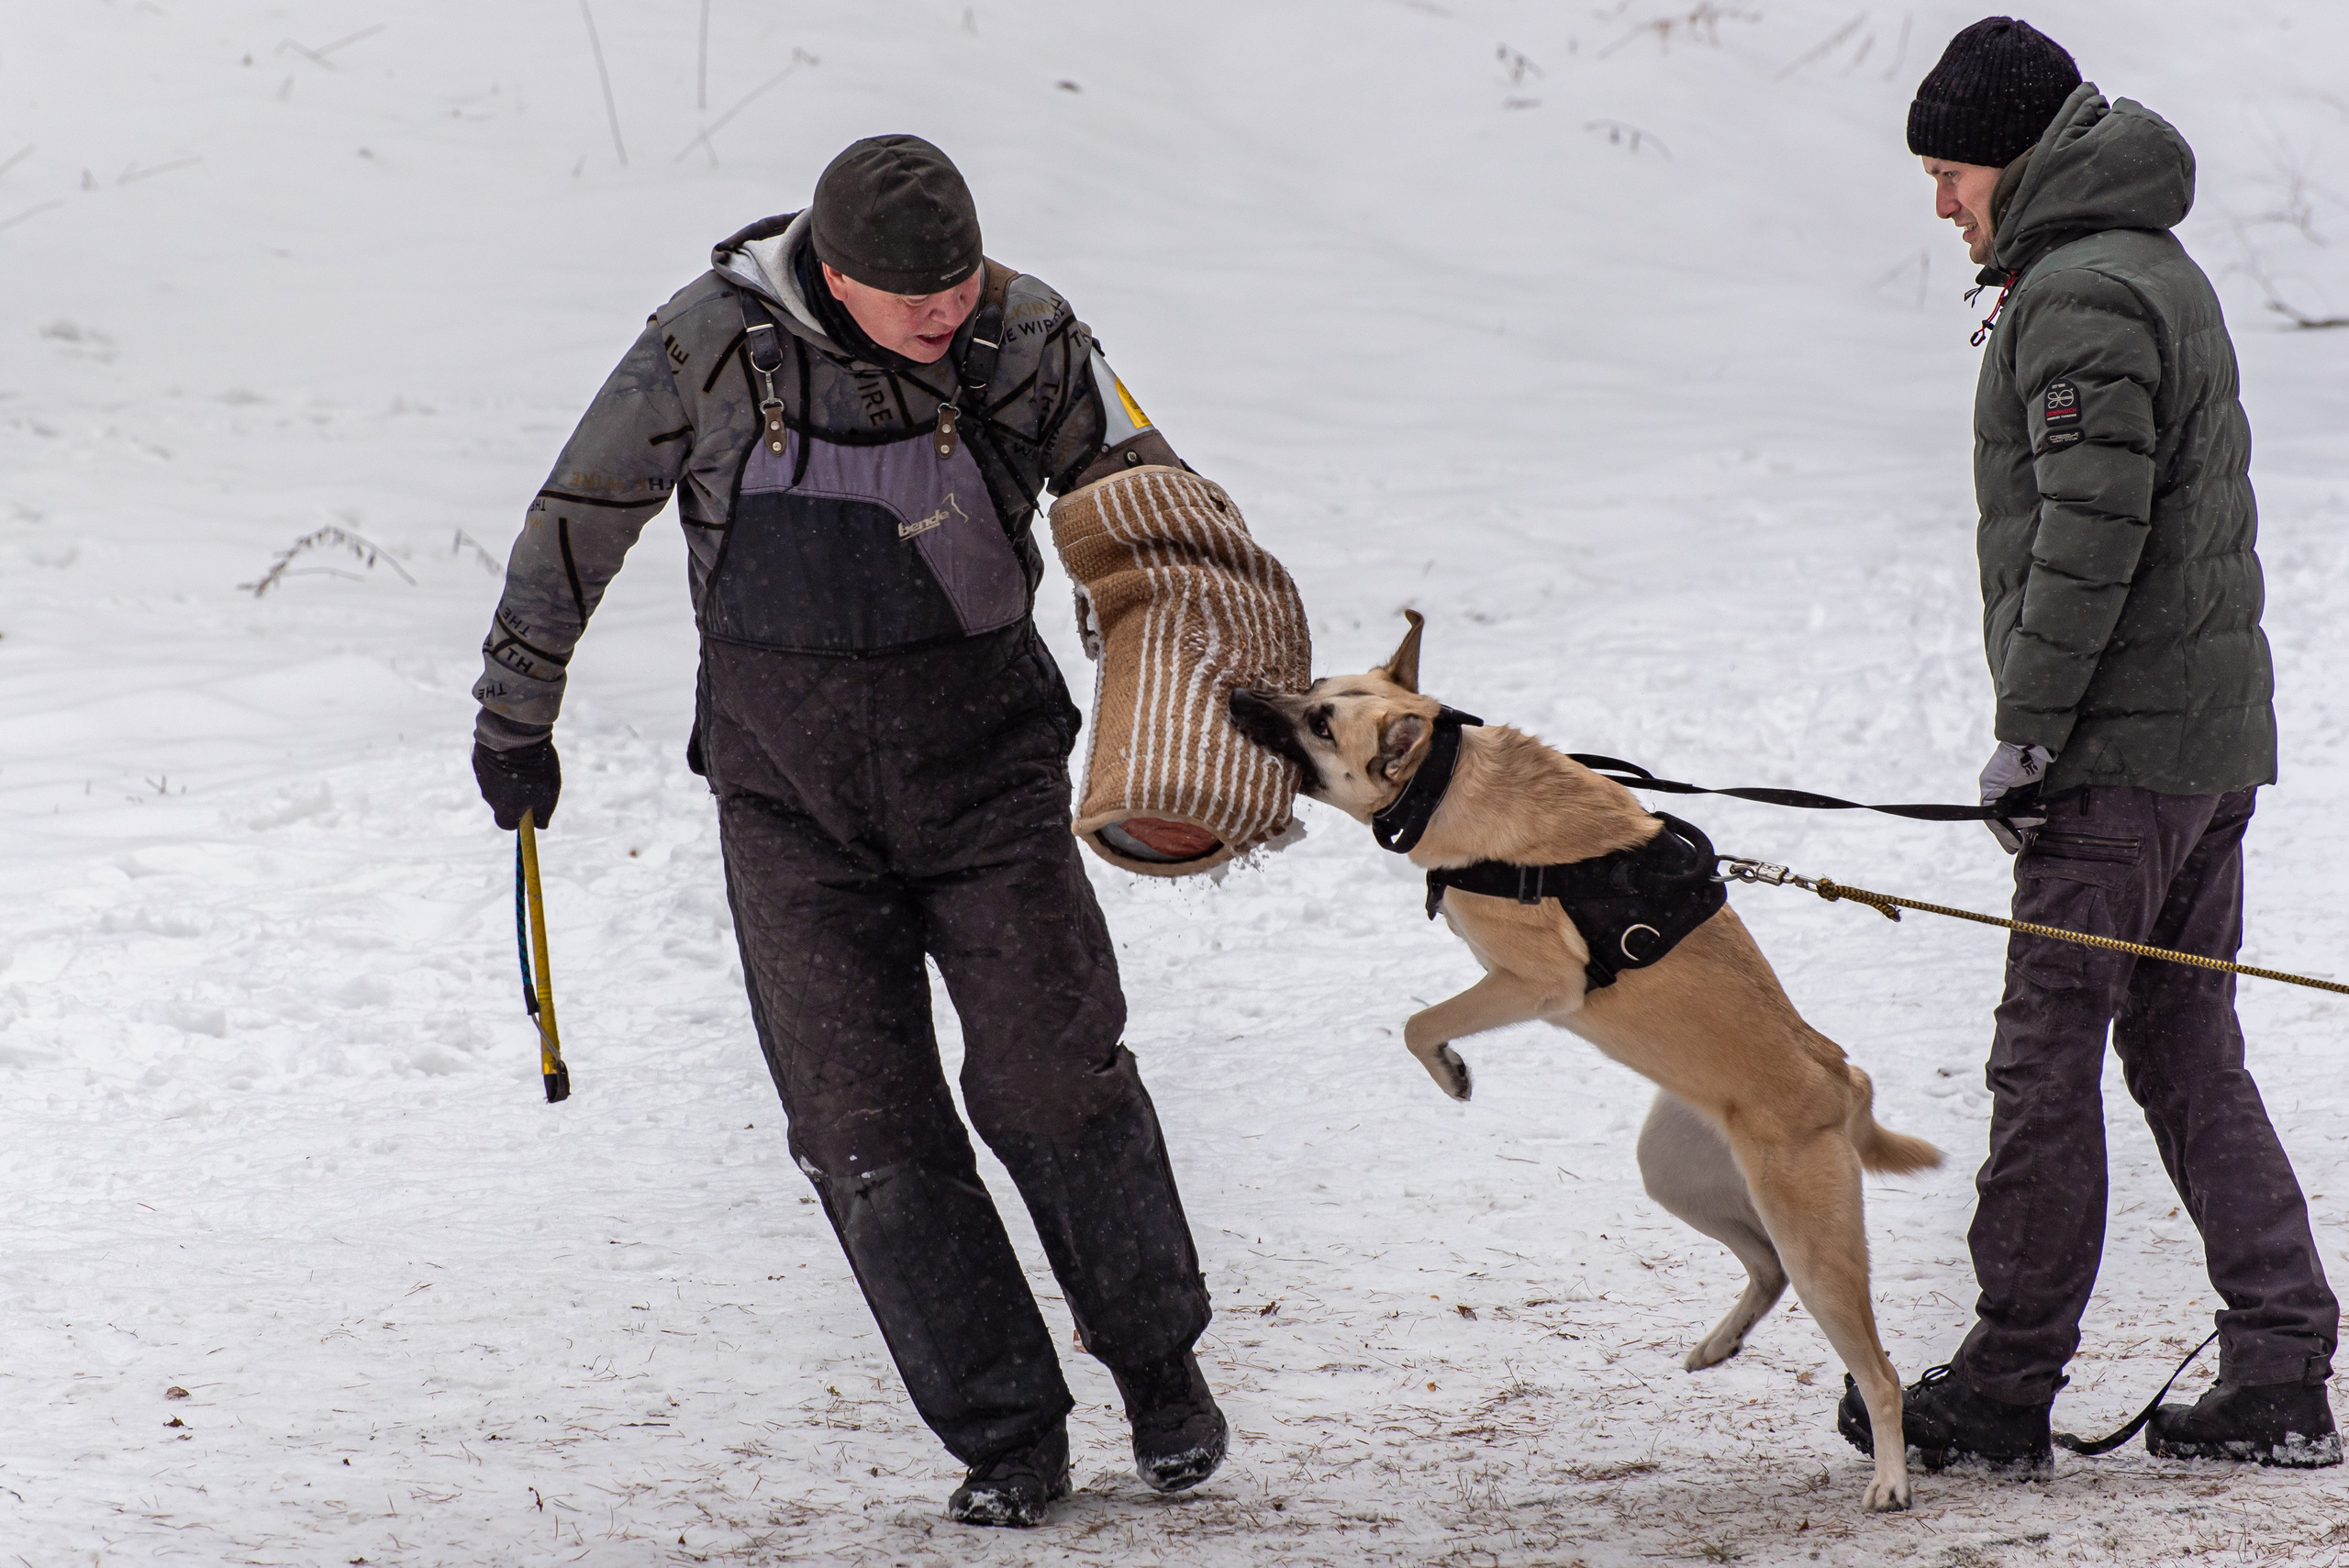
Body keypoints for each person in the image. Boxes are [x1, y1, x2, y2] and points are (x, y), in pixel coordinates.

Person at [468, 134, 1229, 1526]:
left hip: (989, 769)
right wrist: (516, 709)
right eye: (915, 294)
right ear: (832, 272)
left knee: (1056, 1074)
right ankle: (1006, 1430)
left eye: (961, 280)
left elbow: (1144, 504)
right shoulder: (707, 347)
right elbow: (579, 513)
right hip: (788, 802)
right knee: (861, 1127)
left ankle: (1161, 1368)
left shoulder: (1027, 332)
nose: (950, 309)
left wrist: (1189, 683)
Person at [1837, 17, 2339, 1473]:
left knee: (2042, 1058)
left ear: (2016, 155)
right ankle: (2282, 1363)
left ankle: (2002, 1390)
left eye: (1949, 171)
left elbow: (2089, 540)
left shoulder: (2085, 294)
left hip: (2123, 761)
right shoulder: (2140, 268)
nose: (1941, 203)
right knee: (2188, 1051)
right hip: (2199, 750)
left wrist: (2033, 733)